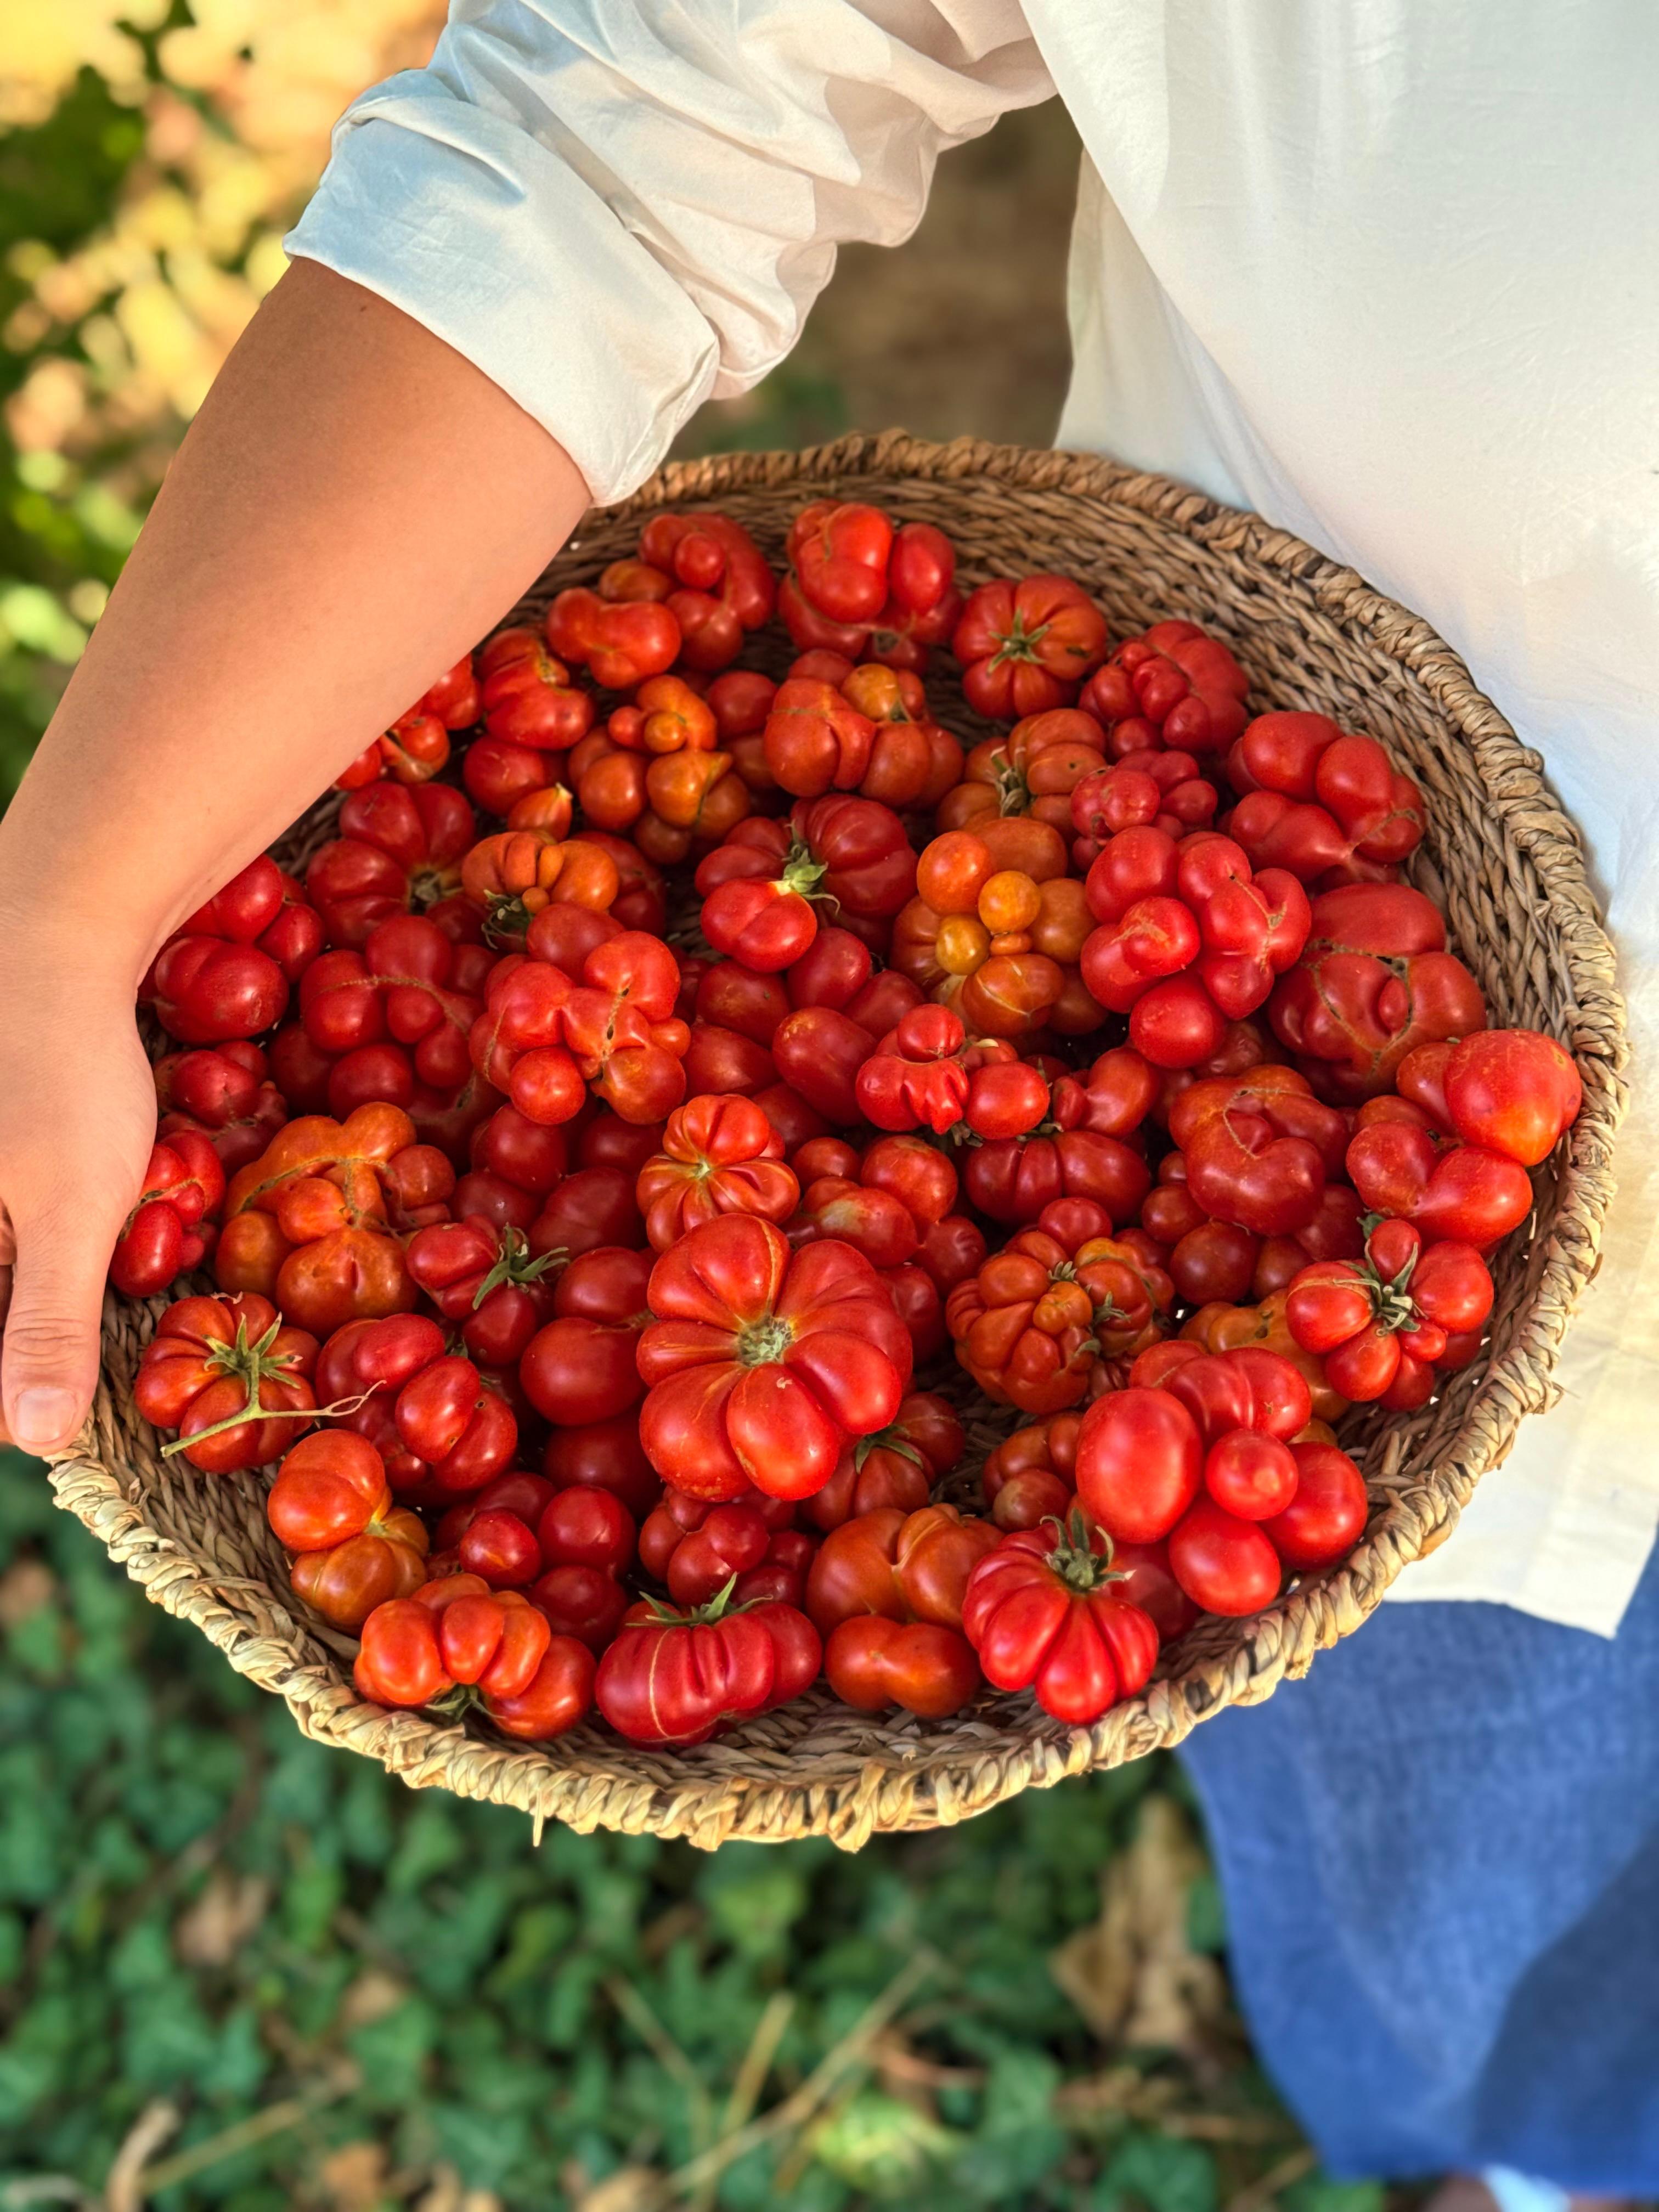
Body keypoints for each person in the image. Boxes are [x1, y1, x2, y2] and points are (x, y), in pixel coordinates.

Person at [3, 4, 1656, 2199]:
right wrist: (63, 902)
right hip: (1422, 1154)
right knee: (1452, 1900)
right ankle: (1525, 2153)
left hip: (1326, 1078)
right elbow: (636, 114)